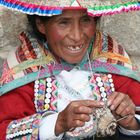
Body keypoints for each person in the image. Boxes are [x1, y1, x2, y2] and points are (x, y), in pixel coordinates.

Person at [0, 0, 140, 140]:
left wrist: (130, 123)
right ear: (41, 24)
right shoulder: (23, 66)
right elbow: (4, 130)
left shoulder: (111, 56)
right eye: (63, 22)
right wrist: (57, 123)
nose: (77, 36)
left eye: (85, 20)